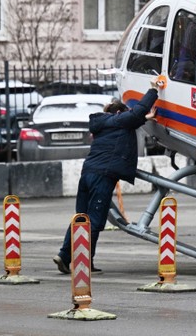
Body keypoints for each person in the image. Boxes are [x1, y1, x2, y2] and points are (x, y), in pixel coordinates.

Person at [53, 79, 161, 274]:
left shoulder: (105, 123)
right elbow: (134, 115)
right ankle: (77, 260)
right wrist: (153, 90)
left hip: (88, 173)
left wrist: (146, 117)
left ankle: (68, 256)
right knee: (94, 220)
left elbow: (134, 119)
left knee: (81, 218)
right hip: (102, 176)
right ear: (120, 113)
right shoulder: (119, 120)